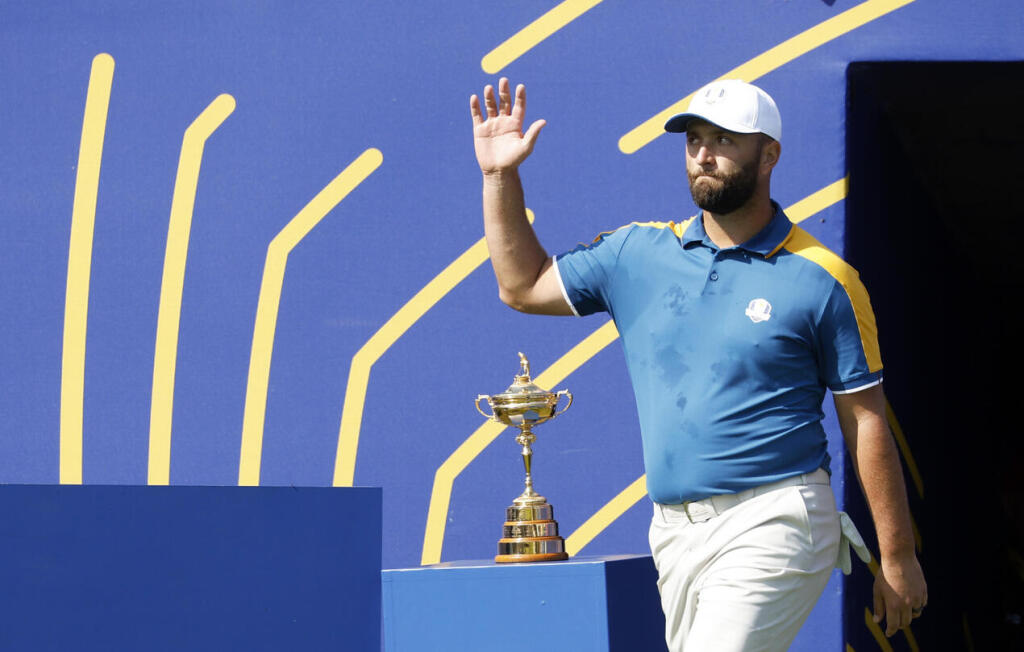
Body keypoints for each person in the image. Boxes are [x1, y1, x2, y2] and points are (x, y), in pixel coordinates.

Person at [469, 76, 927, 651]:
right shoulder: (636, 253)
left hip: (779, 516)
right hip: (673, 533)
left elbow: (865, 421)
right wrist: (499, 175)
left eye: (724, 140)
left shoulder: (826, 280)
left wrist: (898, 553)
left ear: (770, 155)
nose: (703, 154)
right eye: (693, 140)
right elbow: (522, 284)